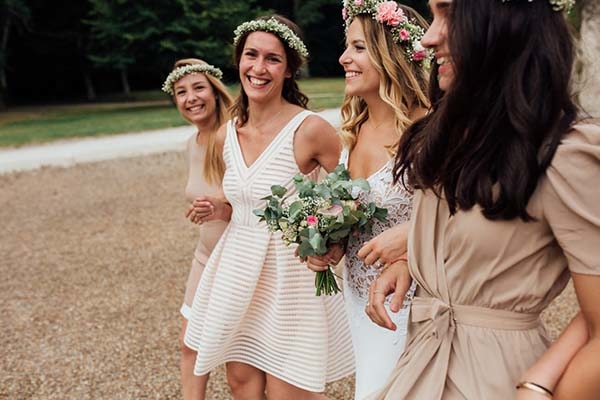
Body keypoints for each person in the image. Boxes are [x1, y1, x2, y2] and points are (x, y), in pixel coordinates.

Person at [366, 0, 600, 399]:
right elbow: (481, 229)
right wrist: (421, 261)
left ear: (506, 23)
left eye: (450, 16)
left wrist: (541, 384)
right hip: (420, 364)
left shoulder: (566, 154)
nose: (428, 37)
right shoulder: (453, 134)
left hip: (497, 380)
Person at [183, 15, 354, 400]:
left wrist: (329, 235)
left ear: (290, 68)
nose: (258, 69)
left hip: (289, 277)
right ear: (238, 60)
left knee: (286, 392)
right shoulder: (228, 130)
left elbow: (355, 187)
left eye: (273, 59)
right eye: (251, 55)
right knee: (240, 382)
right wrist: (221, 209)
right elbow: (250, 204)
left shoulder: (309, 128)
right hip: (238, 268)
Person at [304, 1, 430, 399]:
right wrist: (327, 242)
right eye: (347, 47)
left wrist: (412, 245)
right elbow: (357, 216)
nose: (344, 58)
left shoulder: (428, 129)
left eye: (358, 48)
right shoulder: (352, 129)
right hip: (358, 299)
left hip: (413, 305)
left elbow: (463, 217)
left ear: (390, 56)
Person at [161, 58, 234, 400]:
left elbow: (260, 195)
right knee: (190, 344)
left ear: (216, 92)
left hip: (238, 258)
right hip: (205, 257)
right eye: (181, 92)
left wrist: (222, 203)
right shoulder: (192, 143)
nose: (191, 98)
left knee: (242, 366)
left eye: (198, 88)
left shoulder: (234, 134)